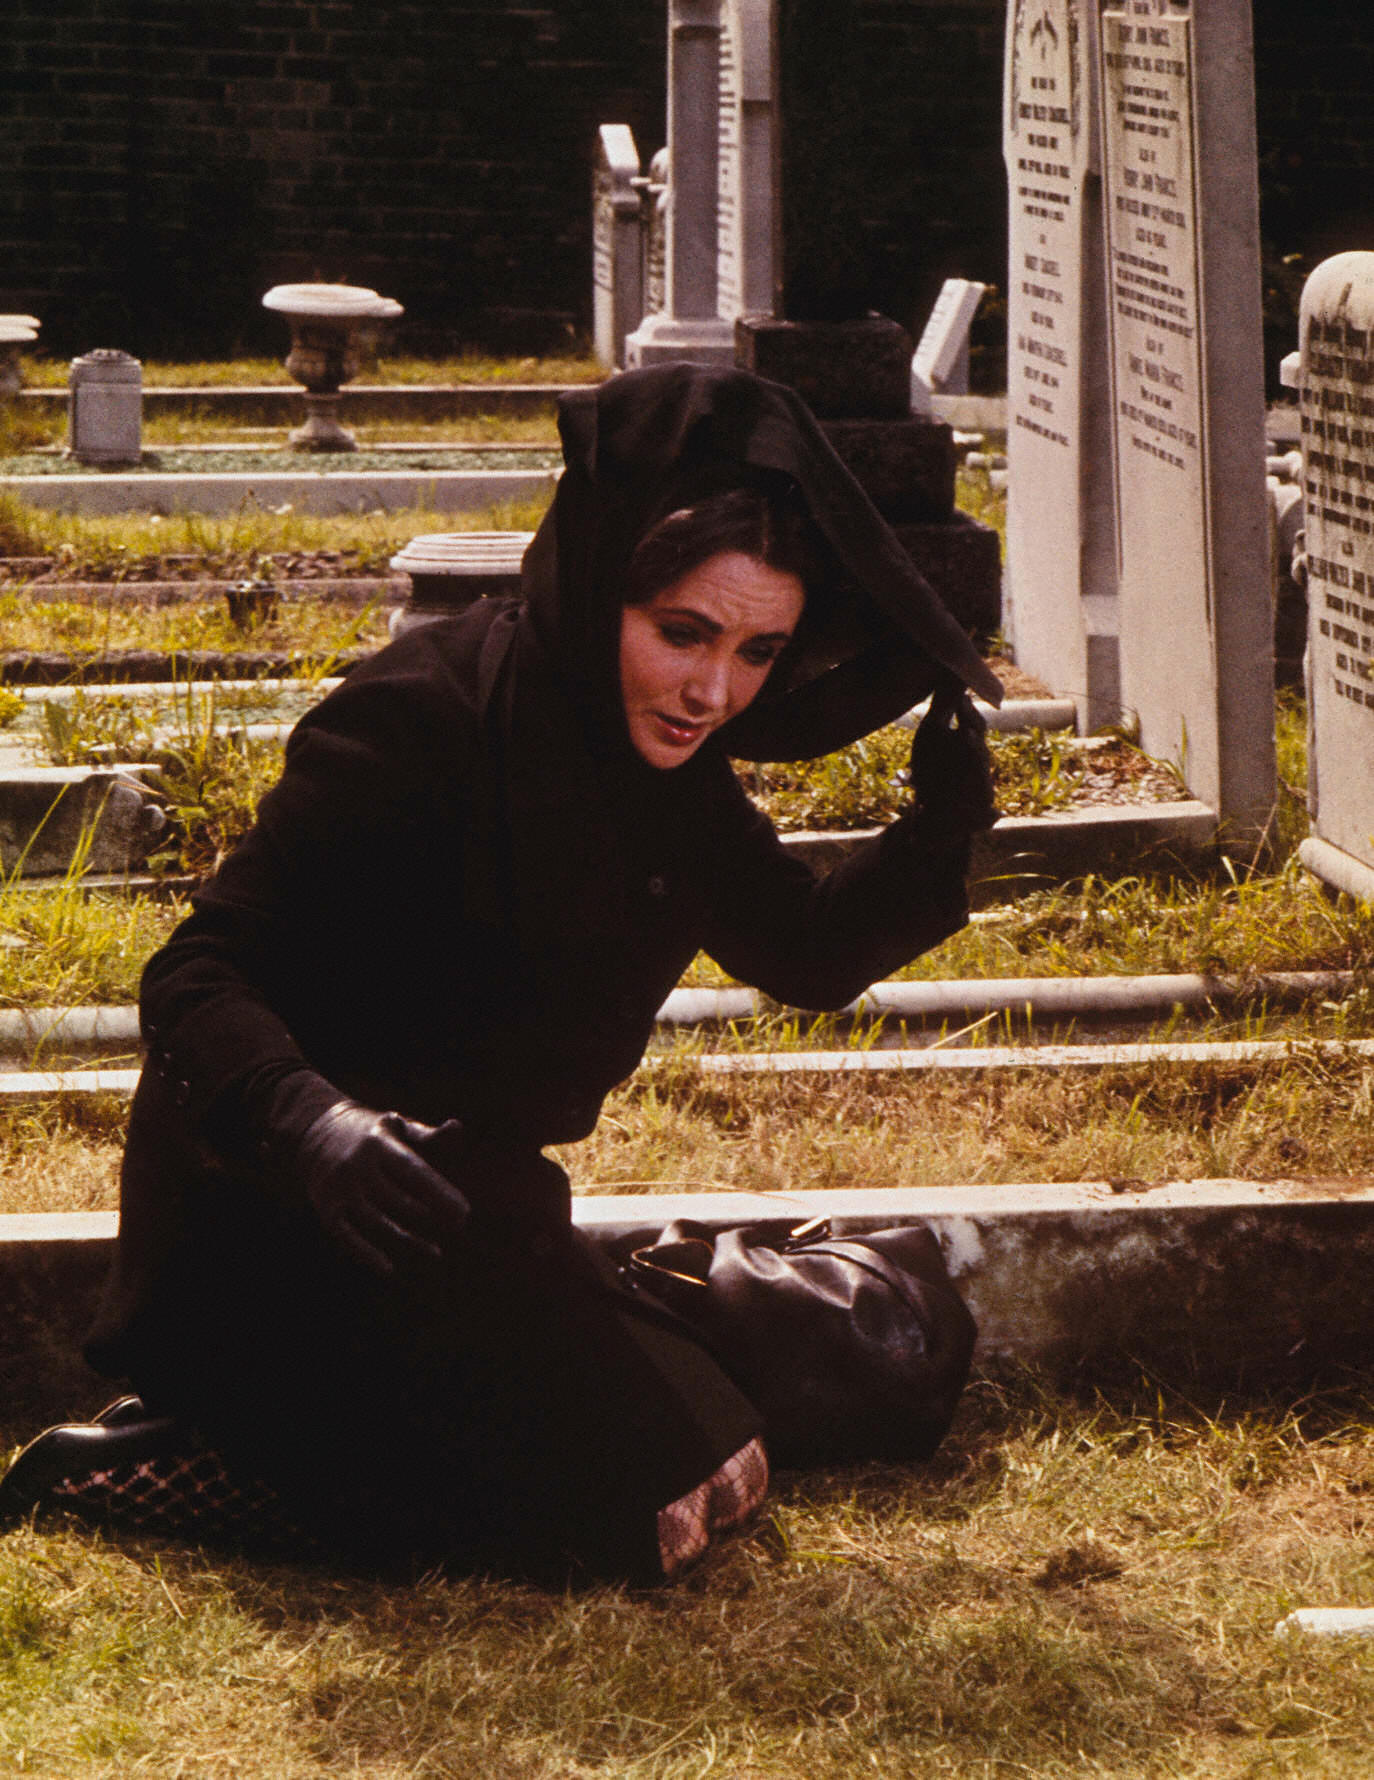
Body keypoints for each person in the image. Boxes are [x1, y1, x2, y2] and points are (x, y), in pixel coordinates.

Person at [0, 364, 1001, 1584]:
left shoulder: (668, 771)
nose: (712, 691)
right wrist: (314, 1123)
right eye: (682, 632)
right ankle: (152, 1462)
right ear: (602, 579)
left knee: (725, 1462)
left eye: (757, 652)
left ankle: (385, 1420)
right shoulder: (417, 718)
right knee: (637, 1517)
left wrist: (938, 830)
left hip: (466, 1220)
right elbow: (193, 973)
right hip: (279, 1218)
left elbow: (803, 949)